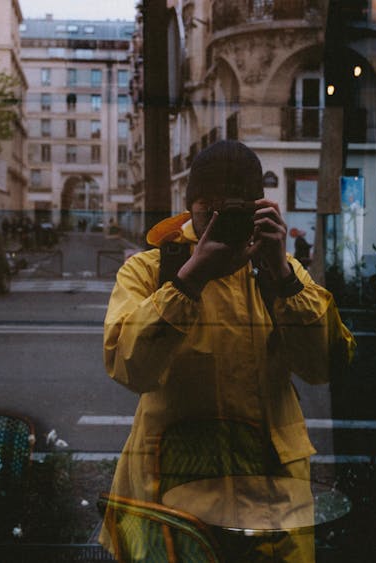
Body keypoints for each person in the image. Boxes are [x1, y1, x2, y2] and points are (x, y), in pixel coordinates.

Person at [100, 141, 355, 562]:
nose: (221, 222)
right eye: (208, 211)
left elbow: (325, 366)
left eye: (233, 211)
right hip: (173, 497)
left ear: (259, 209)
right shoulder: (148, 271)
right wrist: (188, 279)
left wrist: (285, 279)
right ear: (189, 209)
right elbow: (129, 369)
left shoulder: (280, 271)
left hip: (270, 498)